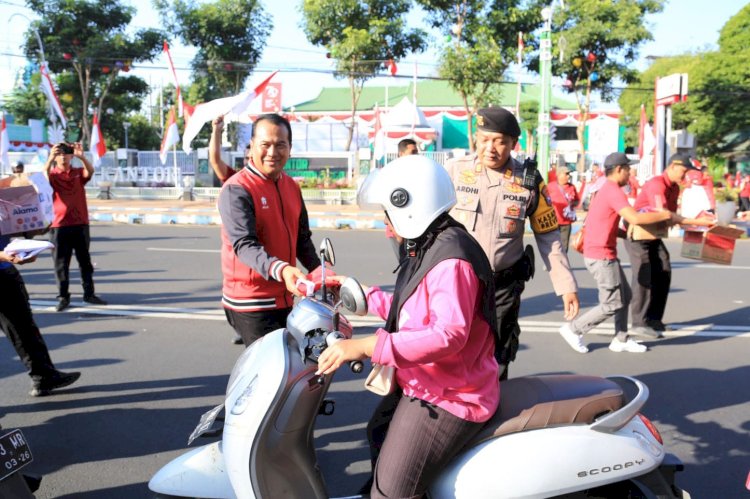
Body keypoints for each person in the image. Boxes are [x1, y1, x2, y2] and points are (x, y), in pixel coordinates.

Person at [317, 155, 499, 499]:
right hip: (422, 382)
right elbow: (411, 313)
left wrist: (368, 346)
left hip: (449, 396)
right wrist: (361, 295)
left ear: (408, 205)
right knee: (377, 432)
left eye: (388, 211)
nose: (386, 221)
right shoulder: (431, 244)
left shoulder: (452, 259)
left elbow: (449, 335)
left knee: (391, 492)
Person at [444, 107, 579, 379]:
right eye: (484, 139)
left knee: (499, 353)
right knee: (450, 347)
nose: (490, 148)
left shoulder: (529, 181)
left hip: (502, 286)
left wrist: (566, 286)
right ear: (475, 138)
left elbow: (548, 234)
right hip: (456, 282)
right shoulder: (454, 172)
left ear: (513, 144)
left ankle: (495, 406)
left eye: (499, 141)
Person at [217, 113, 319, 346]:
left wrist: (320, 273)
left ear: (290, 148)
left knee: (294, 372)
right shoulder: (237, 189)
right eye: (265, 145)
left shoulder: (291, 186)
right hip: (251, 301)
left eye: (280, 145)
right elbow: (244, 244)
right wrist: (282, 270)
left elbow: (302, 239)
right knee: (269, 375)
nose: (272, 152)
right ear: (251, 147)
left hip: (286, 296)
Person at [558, 153, 675, 354]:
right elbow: (635, 218)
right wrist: (666, 215)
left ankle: (620, 339)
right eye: (628, 169)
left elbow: (606, 222)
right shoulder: (612, 190)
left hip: (603, 253)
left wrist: (627, 234)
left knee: (625, 295)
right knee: (612, 302)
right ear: (619, 169)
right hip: (600, 255)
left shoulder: (607, 189)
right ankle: (574, 329)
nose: (630, 173)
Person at [624, 153, 715, 337]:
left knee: (663, 269)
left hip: (653, 235)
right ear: (673, 166)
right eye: (684, 170)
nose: (686, 175)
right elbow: (664, 214)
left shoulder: (673, 188)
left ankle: (653, 319)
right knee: (645, 274)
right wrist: (695, 222)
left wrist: (698, 224)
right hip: (638, 234)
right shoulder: (657, 184)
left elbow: (672, 219)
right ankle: (638, 322)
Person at [1, 234, 81, 396]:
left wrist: (32, 226)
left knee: (23, 328)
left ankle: (44, 375)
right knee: (22, 328)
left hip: (4, 271)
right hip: (4, 266)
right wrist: (2, 256)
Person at [44, 142, 106, 312]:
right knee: (61, 264)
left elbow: (90, 172)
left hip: (80, 224)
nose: (63, 156)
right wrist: (50, 158)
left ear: (71, 156)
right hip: (59, 225)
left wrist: (82, 157)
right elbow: (42, 177)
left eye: (67, 153)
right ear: (56, 157)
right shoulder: (52, 175)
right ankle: (63, 297)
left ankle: (89, 294)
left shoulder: (78, 173)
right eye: (60, 154)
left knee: (85, 262)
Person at [210, 114, 249, 344]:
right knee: (234, 293)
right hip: (235, 250)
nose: (248, 160)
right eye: (245, 157)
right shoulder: (235, 179)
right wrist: (217, 130)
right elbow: (215, 159)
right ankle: (240, 326)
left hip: (261, 249)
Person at [548, 166, 580, 251]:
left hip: (566, 222)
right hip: (553, 221)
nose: (568, 176)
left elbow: (577, 200)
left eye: (569, 174)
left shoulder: (572, 187)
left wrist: (572, 204)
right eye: (566, 174)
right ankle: (551, 263)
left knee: (564, 246)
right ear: (559, 175)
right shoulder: (551, 186)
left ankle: (562, 262)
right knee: (552, 245)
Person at [209, 114, 241, 184]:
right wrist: (216, 130)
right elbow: (215, 161)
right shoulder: (237, 179)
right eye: (247, 158)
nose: (249, 161)